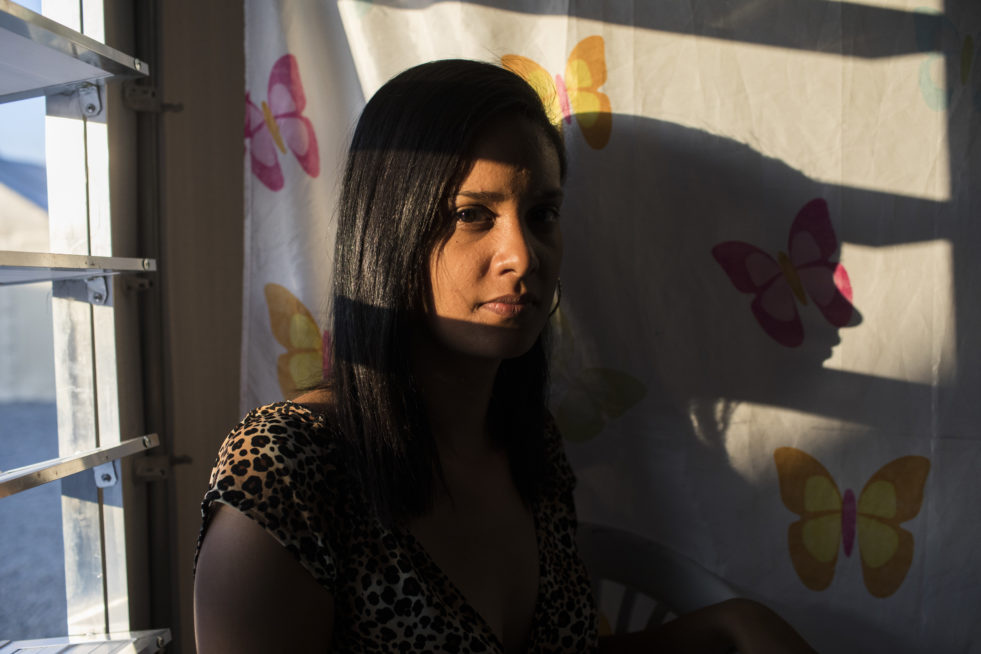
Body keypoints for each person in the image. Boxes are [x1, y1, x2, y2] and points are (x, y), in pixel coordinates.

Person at [194, 59, 817, 653]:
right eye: (472, 215)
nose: (524, 254)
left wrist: (730, 625)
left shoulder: (528, 446)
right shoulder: (288, 471)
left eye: (542, 213)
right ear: (389, 233)